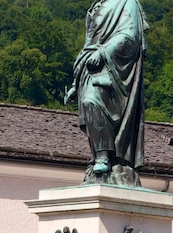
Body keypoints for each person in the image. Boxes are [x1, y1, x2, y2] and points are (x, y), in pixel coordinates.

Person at [67, 0, 148, 185]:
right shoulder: (95, 7)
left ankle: (104, 157)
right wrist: (76, 82)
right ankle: (98, 156)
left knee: (91, 101)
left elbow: (130, 36)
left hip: (114, 68)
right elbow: (89, 44)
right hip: (89, 68)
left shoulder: (126, 3)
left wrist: (104, 52)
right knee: (89, 110)